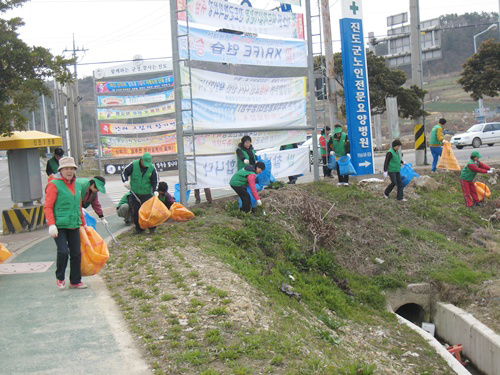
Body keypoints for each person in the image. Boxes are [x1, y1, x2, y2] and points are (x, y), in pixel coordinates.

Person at [44, 157, 87, 289]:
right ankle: (60, 277)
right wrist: (51, 224)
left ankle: (75, 280)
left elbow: (78, 206)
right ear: (60, 170)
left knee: (76, 253)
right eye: (66, 168)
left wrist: (83, 224)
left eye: (71, 168)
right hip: (59, 226)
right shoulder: (54, 184)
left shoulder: (78, 185)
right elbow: (48, 206)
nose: (69, 171)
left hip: (74, 223)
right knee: (63, 252)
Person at [121, 152, 159, 234]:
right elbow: (124, 173)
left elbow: (155, 180)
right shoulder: (133, 165)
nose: (146, 165)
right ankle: (139, 229)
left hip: (147, 193)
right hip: (135, 193)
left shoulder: (152, 167)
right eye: (145, 163)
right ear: (141, 160)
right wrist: (125, 181)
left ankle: (152, 228)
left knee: (149, 212)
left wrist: (155, 190)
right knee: (136, 212)